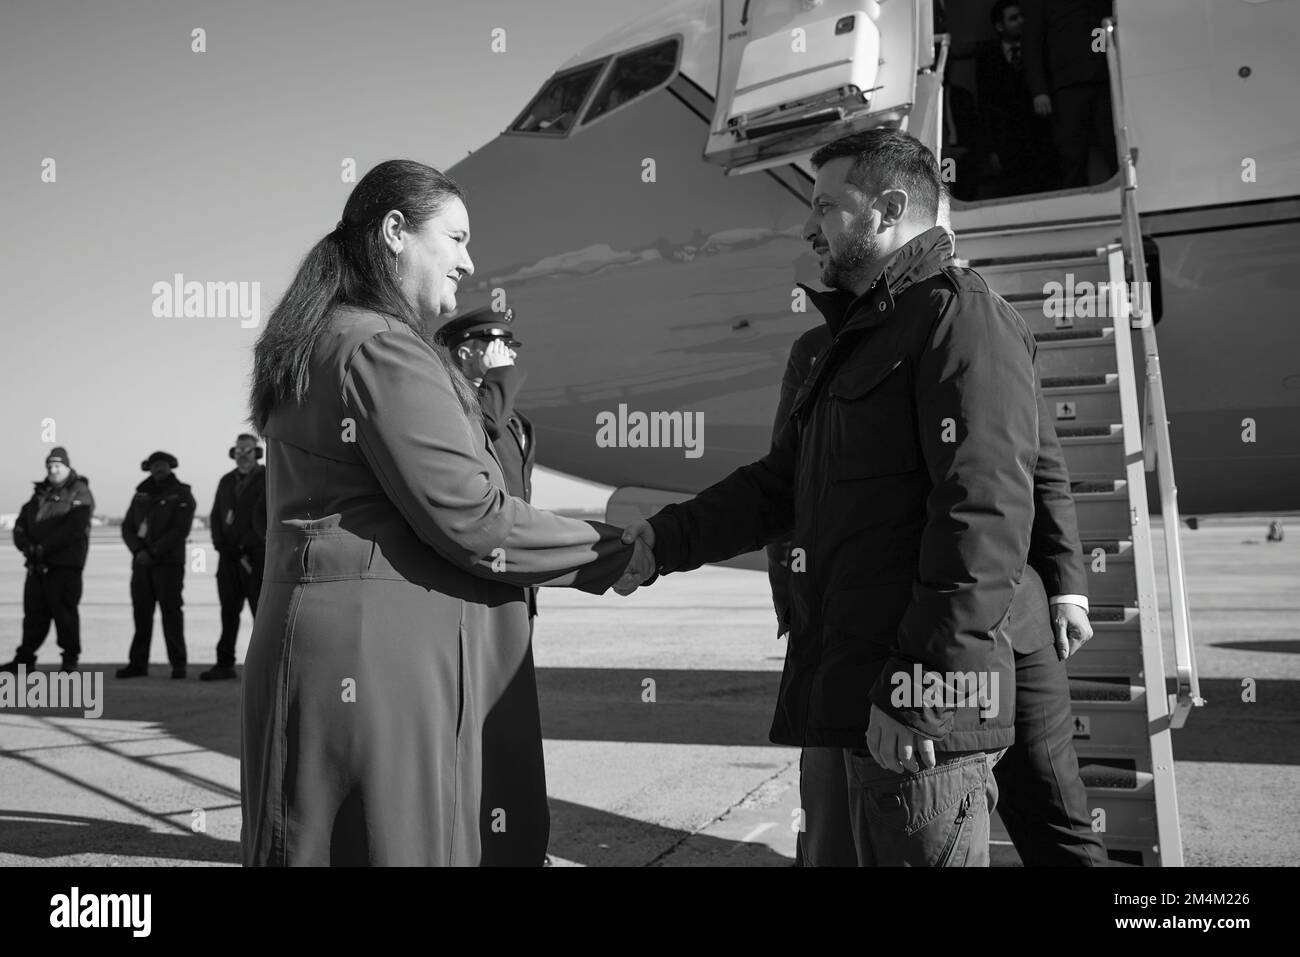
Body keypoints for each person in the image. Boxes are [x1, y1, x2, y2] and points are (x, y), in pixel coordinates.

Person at [622, 128, 1044, 866]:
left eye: (825, 205)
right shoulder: (861, 334)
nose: (808, 225)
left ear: (887, 208)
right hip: (864, 703)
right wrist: (662, 542)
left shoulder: (958, 319)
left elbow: (982, 525)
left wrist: (918, 690)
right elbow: (779, 484)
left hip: (919, 725)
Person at [241, 159, 652, 867]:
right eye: (456, 238)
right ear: (395, 232)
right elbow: (478, 519)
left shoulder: (321, 335)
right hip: (377, 664)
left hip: (329, 649)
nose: (469, 260)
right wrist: (621, 550)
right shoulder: (381, 347)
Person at [767, 320, 1107, 866]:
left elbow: (1040, 466)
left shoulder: (990, 328)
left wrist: (1069, 587)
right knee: (862, 826)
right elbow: (791, 485)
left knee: (1055, 815)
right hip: (895, 640)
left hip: (1017, 628)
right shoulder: (818, 349)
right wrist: (795, 595)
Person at [439, 304, 548, 865]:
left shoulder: (516, 421)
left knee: (509, 726)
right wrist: (501, 376)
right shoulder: (453, 404)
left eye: (512, 344)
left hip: (516, 588)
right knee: (476, 728)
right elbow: (482, 417)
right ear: (463, 350)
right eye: (495, 342)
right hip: (475, 589)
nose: (509, 354)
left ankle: (511, 843)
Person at [2, 447, 95, 675]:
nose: (53, 470)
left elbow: (73, 529)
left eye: (58, 466)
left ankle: (69, 662)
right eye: (50, 466)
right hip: (37, 566)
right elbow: (22, 523)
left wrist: (45, 548)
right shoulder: (39, 494)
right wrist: (28, 547)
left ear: (67, 467)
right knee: (33, 616)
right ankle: (24, 660)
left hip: (64, 566)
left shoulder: (79, 492)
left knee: (65, 616)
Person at [1020, 0, 1118, 188]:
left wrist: (1100, 58)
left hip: (1102, 81)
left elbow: (1099, 29)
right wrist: (1039, 90)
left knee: (1112, 144)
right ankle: (1076, 199)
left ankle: (1122, 194)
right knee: (1072, 151)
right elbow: (1032, 45)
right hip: (1066, 85)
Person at [118, 451, 195, 679]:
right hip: (142, 564)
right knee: (141, 615)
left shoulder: (182, 494)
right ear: (149, 468)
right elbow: (127, 527)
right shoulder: (140, 494)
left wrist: (153, 551)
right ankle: (138, 664)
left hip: (168, 564)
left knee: (171, 614)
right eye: (154, 465)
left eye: (162, 465)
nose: (159, 469)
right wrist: (139, 551)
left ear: (170, 467)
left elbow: (180, 530)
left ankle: (178, 665)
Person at [976, 0, 1060, 197]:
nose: (1021, 21)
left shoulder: (1042, 50)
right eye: (1013, 18)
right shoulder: (987, 58)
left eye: (1022, 16)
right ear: (999, 26)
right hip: (1008, 143)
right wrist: (991, 149)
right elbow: (985, 105)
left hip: (1041, 136)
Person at [203, 433, 266, 681]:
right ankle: (224, 662)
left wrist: (251, 544)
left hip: (255, 558)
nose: (242, 456)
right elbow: (216, 516)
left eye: (247, 451)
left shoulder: (268, 478)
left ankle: (263, 668)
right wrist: (222, 546)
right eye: (238, 451)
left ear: (257, 453)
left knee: (259, 613)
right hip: (229, 558)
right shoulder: (226, 481)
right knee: (228, 612)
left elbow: (266, 518)